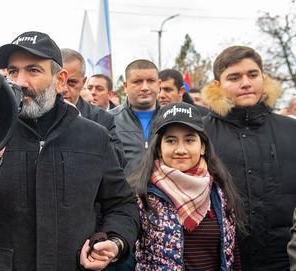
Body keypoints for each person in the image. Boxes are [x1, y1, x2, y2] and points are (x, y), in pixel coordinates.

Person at [0, 31, 139, 271]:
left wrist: (115, 242)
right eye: (13, 71)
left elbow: (123, 204)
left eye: (33, 70)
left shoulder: (94, 137)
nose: (20, 81)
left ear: (60, 80)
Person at [201, 45, 296, 270]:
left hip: (283, 260)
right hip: (222, 261)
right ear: (218, 86)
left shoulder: (291, 130)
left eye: (252, 75)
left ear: (263, 78)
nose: (246, 83)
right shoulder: (200, 134)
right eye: (234, 77)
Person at [128, 102, 244, 270]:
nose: (180, 149)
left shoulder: (220, 191)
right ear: (159, 148)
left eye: (189, 140)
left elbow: (232, 255)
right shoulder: (141, 193)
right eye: (171, 141)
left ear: (202, 147)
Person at [60, 48, 125, 167]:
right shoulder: (36, 115)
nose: (64, 89)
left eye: (71, 82)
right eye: (59, 80)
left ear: (83, 82)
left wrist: (80, 125)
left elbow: (118, 161)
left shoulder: (102, 118)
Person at [110, 59, 160, 177]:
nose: (145, 87)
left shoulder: (170, 119)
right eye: (138, 82)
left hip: (164, 194)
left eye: (151, 81)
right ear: (126, 86)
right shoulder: (108, 120)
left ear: (159, 84)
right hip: (124, 194)